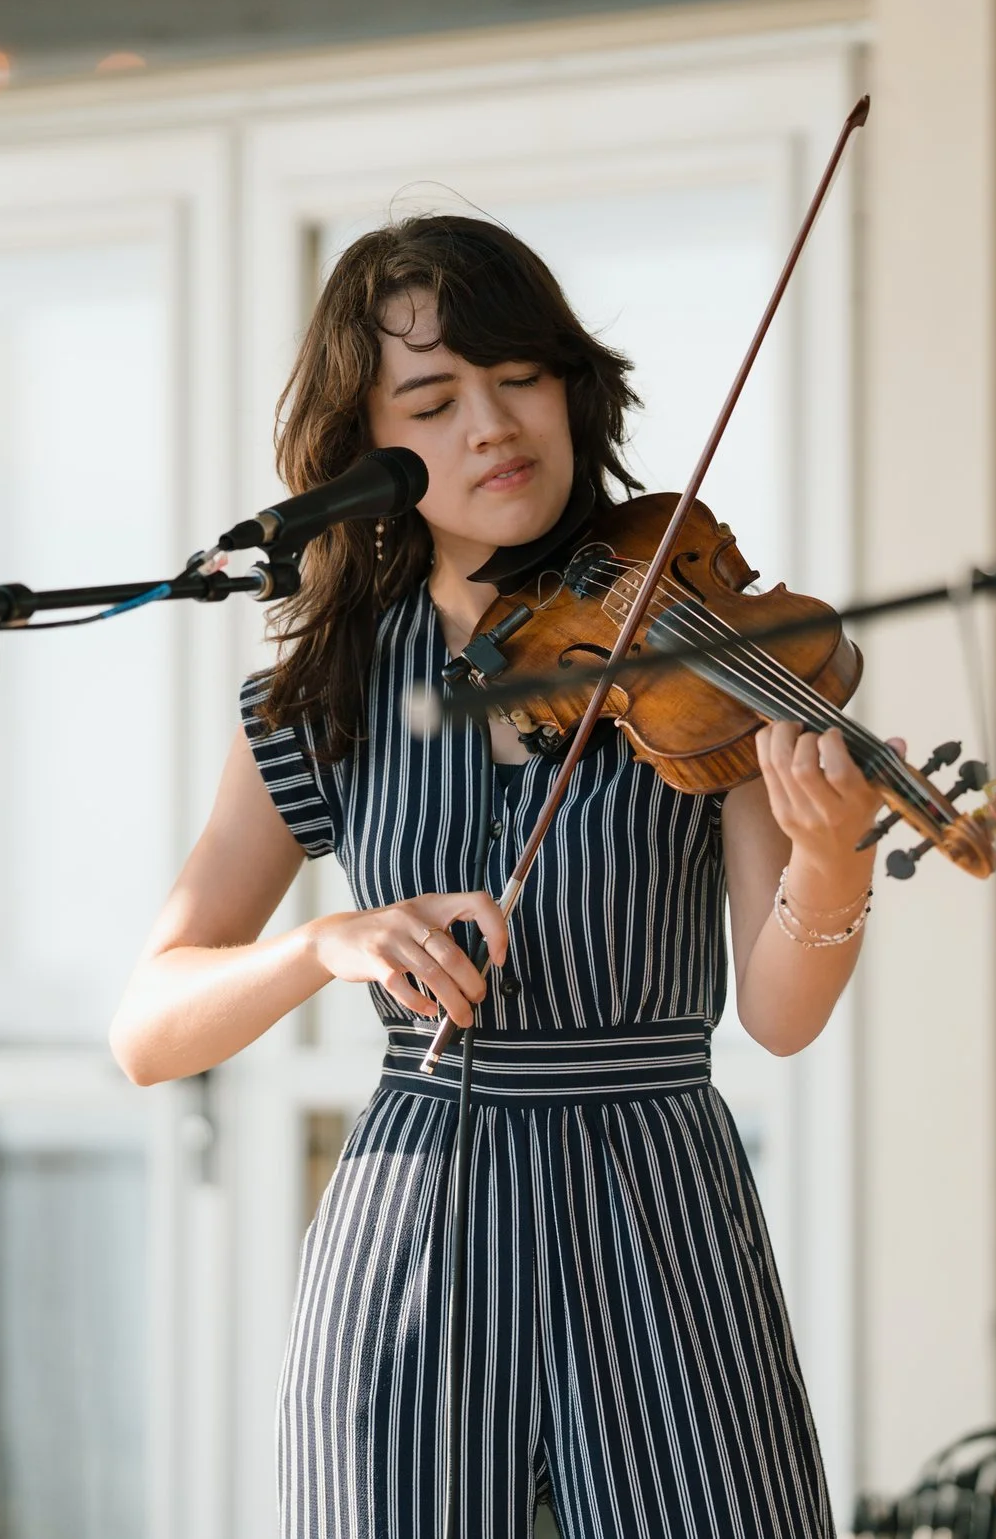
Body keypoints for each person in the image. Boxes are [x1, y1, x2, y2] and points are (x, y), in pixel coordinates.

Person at [111, 214, 869, 1538]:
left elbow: (784, 1012)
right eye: (433, 397)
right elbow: (147, 1028)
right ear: (370, 452)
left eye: (518, 376)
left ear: (572, 388)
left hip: (663, 1220)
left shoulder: (694, 648)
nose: (491, 424)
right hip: (418, 1230)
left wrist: (830, 855)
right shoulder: (325, 695)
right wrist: (324, 944)